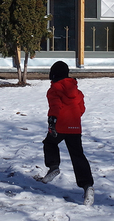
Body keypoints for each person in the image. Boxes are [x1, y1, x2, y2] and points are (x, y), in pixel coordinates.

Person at [40, 61, 94, 206]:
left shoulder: (54, 89)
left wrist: (52, 120)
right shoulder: (77, 92)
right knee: (78, 156)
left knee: (49, 143)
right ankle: (87, 186)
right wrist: (74, 119)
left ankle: (53, 167)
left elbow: (55, 106)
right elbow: (82, 109)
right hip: (75, 127)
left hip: (60, 125)